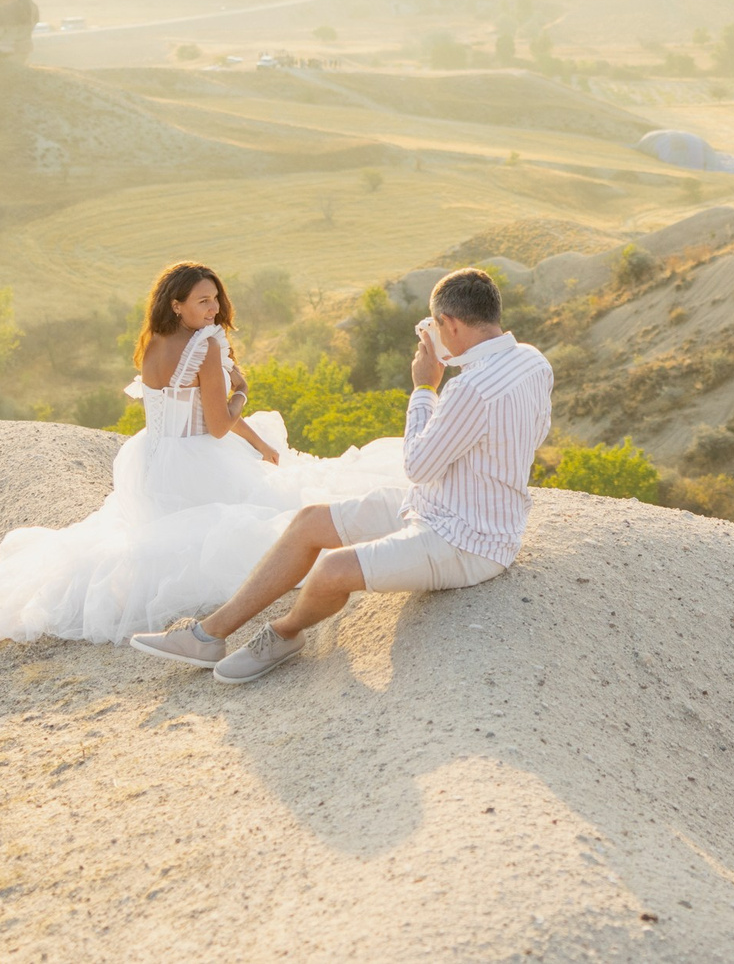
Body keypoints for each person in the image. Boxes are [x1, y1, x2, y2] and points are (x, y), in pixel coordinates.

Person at [0, 262, 407, 659]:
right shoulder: (208, 346)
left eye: (215, 298)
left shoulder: (152, 341)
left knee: (151, 537)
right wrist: (242, 391)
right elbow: (216, 424)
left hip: (152, 461)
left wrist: (259, 443)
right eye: (203, 300)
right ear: (176, 304)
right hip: (199, 460)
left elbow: (188, 411)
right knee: (268, 523)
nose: (213, 308)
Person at [130, 266, 553, 684]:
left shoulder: (468, 389)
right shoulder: (533, 361)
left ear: (449, 324)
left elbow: (418, 467)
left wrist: (425, 388)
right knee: (310, 520)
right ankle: (208, 634)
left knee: (332, 569)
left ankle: (285, 632)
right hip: (442, 506)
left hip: (464, 540)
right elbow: (534, 432)